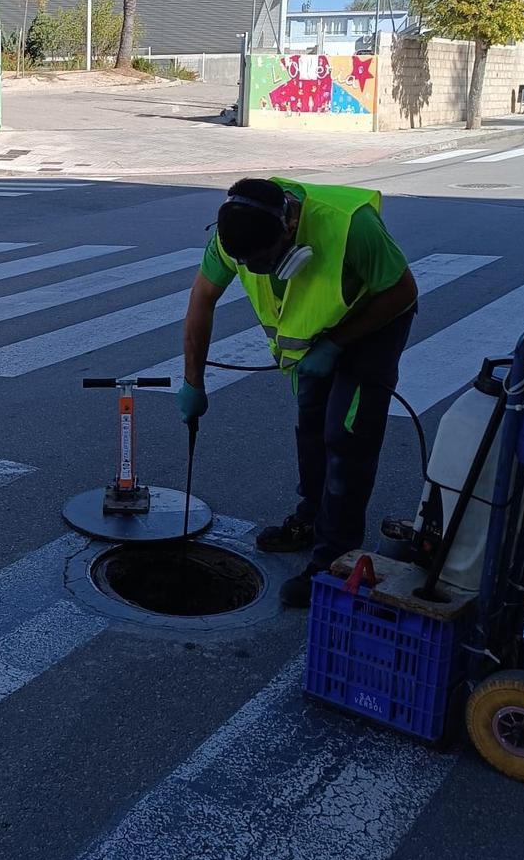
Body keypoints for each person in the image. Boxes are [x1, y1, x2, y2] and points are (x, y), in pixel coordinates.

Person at [179, 176, 418, 608]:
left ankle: (333, 561)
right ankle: (311, 518)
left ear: (289, 227)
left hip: (374, 323)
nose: (255, 270)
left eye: (264, 259)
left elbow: (402, 291)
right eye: (245, 262)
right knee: (311, 425)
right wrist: (193, 382)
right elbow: (202, 300)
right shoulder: (236, 231)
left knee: (345, 439)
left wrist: (336, 343)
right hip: (315, 330)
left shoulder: (351, 225)